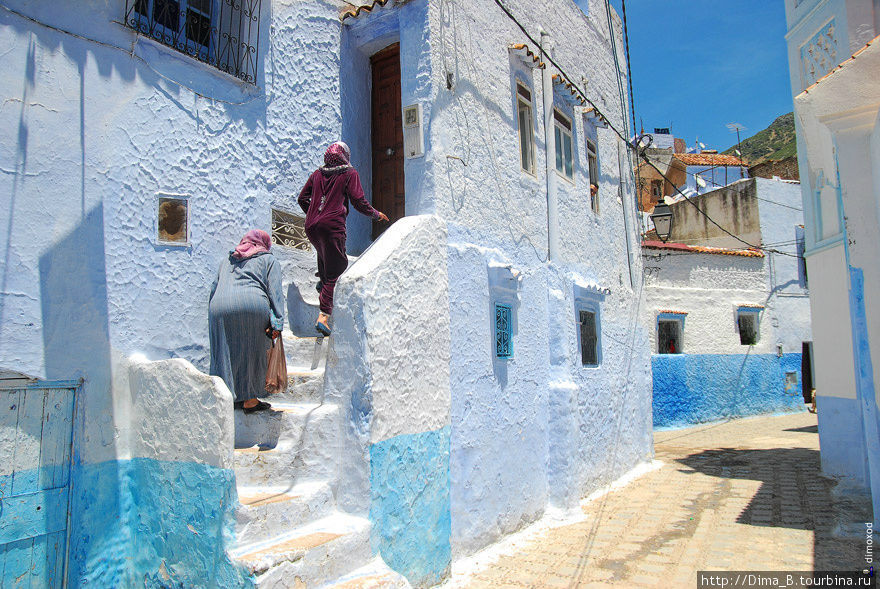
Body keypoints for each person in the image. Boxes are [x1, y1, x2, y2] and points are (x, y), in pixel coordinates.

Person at [298, 141, 388, 335]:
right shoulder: (349, 173)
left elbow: (302, 198)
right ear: (344, 155)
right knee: (337, 267)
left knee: (324, 255)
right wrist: (375, 214)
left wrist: (315, 214)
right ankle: (323, 315)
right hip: (333, 226)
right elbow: (358, 201)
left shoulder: (316, 174)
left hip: (312, 226)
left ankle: (323, 285)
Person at [209, 229, 284, 413]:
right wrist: (278, 321)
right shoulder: (268, 259)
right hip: (251, 305)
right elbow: (274, 292)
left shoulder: (228, 260)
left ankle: (228, 397)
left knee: (226, 351)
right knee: (253, 349)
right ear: (264, 244)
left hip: (219, 306)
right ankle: (250, 400)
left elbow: (214, 287)